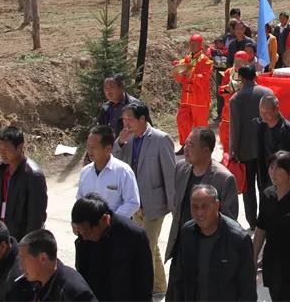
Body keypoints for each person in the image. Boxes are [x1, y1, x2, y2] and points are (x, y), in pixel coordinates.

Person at [114, 102, 177, 295]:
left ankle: (148, 288)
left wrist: (174, 206)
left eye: (130, 119)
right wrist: (120, 143)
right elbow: (117, 163)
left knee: (146, 246)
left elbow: (169, 174)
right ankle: (159, 286)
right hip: (134, 203)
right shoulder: (128, 139)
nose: (126, 123)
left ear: (142, 119)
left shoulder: (160, 139)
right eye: (124, 119)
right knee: (150, 245)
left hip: (154, 203)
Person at [167, 185, 257, 302]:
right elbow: (178, 277)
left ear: (217, 205)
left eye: (204, 207)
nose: (199, 213)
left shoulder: (238, 239)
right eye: (195, 207)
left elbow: (247, 290)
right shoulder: (187, 232)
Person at [166, 127, 239, 268]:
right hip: (181, 246)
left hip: (208, 252)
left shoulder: (224, 179)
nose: (185, 149)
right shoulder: (181, 169)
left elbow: (230, 221)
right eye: (185, 144)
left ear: (206, 150)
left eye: (191, 145)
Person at [71, 194, 153, 301]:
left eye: (86, 232)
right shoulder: (84, 238)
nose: (84, 237)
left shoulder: (134, 236)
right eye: (79, 233)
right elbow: (82, 274)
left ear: (105, 220)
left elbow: (144, 284)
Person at [253, 152, 290, 301]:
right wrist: (252, 258)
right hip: (272, 262)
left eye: (278, 169)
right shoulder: (267, 195)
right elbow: (261, 229)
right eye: (271, 167)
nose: (273, 172)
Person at [230, 64, 273, 227]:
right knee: (266, 185)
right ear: (255, 76)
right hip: (266, 149)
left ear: (241, 78)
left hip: (245, 151)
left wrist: (233, 150)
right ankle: (266, 217)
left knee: (248, 189)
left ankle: (252, 221)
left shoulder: (236, 98)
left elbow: (235, 128)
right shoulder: (267, 93)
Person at [0, 125, 48, 240]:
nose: (2, 153)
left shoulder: (33, 176)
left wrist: (27, 246)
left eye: (6, 149)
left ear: (20, 147)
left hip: (20, 240)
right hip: (0, 237)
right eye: (0, 148)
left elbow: (36, 218)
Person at [76, 125, 140, 218]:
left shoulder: (123, 172)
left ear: (108, 149)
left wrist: (111, 220)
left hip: (115, 229)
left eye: (93, 147)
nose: (89, 151)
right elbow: (80, 199)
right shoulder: (85, 172)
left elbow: (133, 203)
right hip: (90, 230)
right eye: (88, 146)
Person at [13, 229, 96, 301]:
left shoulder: (73, 292)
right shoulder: (31, 282)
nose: (20, 266)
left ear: (43, 258)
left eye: (23, 259)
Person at [173, 34, 214, 150]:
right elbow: (179, 78)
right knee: (182, 120)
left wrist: (192, 76)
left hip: (199, 98)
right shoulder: (186, 59)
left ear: (200, 45)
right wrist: (177, 71)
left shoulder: (206, 61)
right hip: (185, 98)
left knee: (200, 126)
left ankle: (203, 148)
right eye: (190, 43)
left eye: (194, 44)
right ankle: (185, 146)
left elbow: (204, 79)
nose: (191, 46)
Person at [256, 94, 290, 193]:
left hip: (284, 179)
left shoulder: (289, 130)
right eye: (261, 111)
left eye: (266, 112)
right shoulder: (261, 127)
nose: (262, 115)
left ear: (276, 109)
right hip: (265, 178)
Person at [218, 50, 251, 160]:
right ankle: (226, 158)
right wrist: (228, 89)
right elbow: (220, 90)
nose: (237, 64)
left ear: (246, 63)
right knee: (225, 136)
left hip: (242, 113)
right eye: (236, 61)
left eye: (240, 61)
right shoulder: (228, 72)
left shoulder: (249, 74)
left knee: (240, 137)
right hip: (227, 112)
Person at [97, 74, 138, 140]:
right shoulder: (105, 107)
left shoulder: (135, 106)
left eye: (111, 87)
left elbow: (146, 131)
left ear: (121, 87)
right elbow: (100, 131)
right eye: (106, 88)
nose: (108, 92)